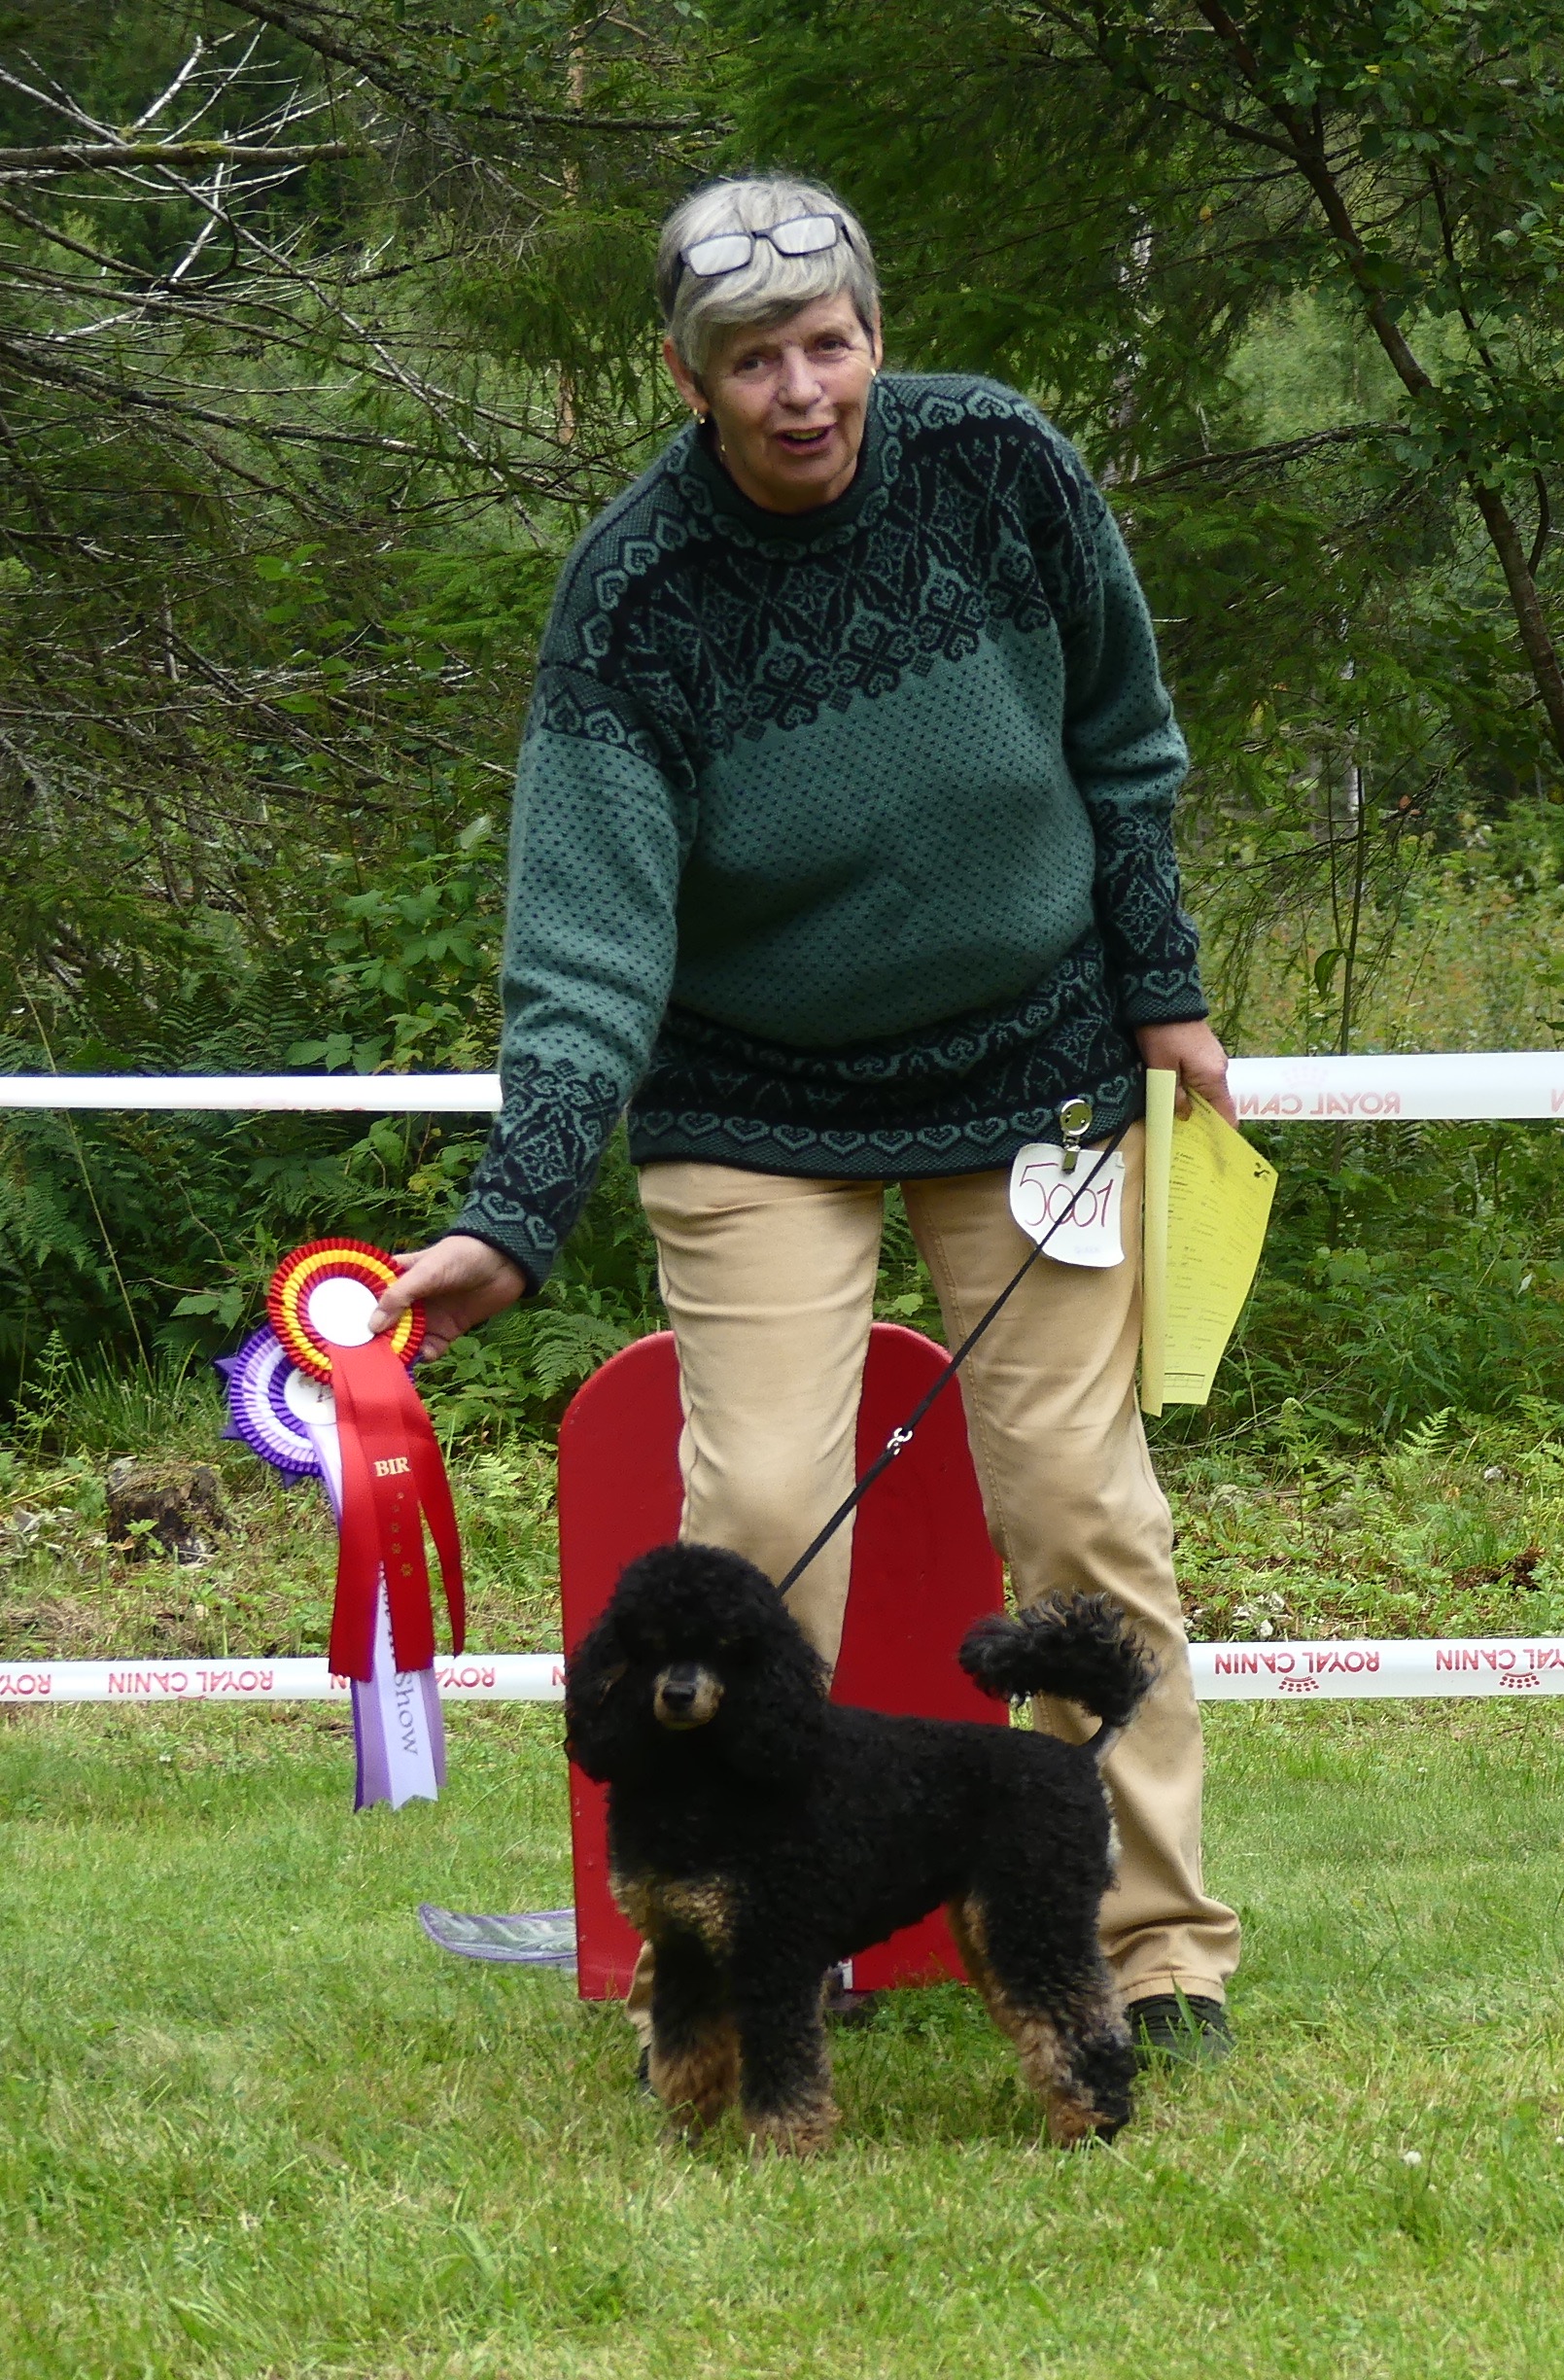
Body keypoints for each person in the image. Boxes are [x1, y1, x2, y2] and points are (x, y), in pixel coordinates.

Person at [369, 174, 1242, 2058]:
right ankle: (752, 1943)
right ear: (688, 380)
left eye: (829, 344)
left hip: (1034, 1068)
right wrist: (516, 1211)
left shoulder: (1000, 464)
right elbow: (586, 944)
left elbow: (1124, 744)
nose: (801, 390)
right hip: (753, 1097)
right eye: (754, 360)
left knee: (1083, 1507)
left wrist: (1164, 994)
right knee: (759, 1515)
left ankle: (1154, 1950)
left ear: (875, 334)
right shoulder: (634, 597)